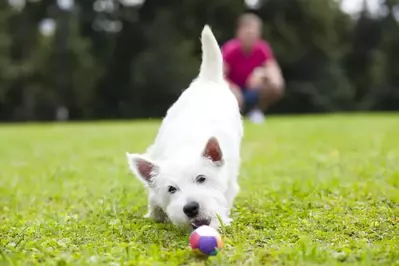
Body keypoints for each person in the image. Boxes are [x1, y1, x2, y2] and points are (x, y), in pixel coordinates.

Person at [221, 13, 285, 124]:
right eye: (247, 31)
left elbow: (275, 75)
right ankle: (233, 114)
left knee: (274, 86)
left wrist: (262, 74)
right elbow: (219, 76)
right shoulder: (230, 49)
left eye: (253, 31)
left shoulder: (262, 49)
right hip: (232, 91)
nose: (250, 35)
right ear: (239, 32)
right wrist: (232, 87)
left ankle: (255, 111)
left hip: (251, 92)